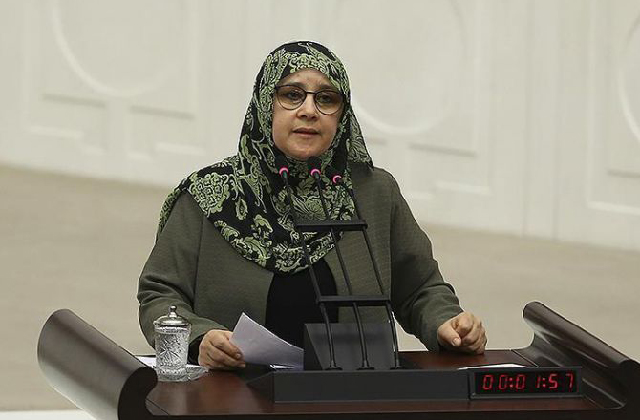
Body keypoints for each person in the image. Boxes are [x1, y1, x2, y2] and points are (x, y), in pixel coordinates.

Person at [137, 41, 487, 370]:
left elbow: (420, 289)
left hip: (354, 389)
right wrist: (200, 339)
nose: (309, 111)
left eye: (326, 99)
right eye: (292, 95)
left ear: (342, 115)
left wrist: (447, 323)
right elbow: (160, 296)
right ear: (265, 104)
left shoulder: (374, 193)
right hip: (235, 390)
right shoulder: (209, 195)